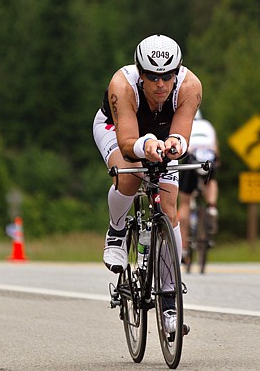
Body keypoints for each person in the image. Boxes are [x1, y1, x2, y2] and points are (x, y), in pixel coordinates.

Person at [93, 33, 202, 333]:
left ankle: (170, 303)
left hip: (161, 135)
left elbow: (181, 134)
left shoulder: (190, 87)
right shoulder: (122, 86)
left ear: (177, 72)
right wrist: (147, 146)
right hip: (116, 129)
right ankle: (116, 233)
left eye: (167, 76)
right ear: (140, 74)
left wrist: (175, 146)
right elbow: (128, 143)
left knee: (169, 209)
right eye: (152, 77)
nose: (160, 85)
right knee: (129, 175)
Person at [178, 109, 219, 263]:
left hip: (192, 157)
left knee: (184, 202)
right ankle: (211, 206)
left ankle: (183, 249)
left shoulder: (185, 124)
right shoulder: (208, 126)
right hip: (209, 155)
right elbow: (216, 149)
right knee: (211, 181)